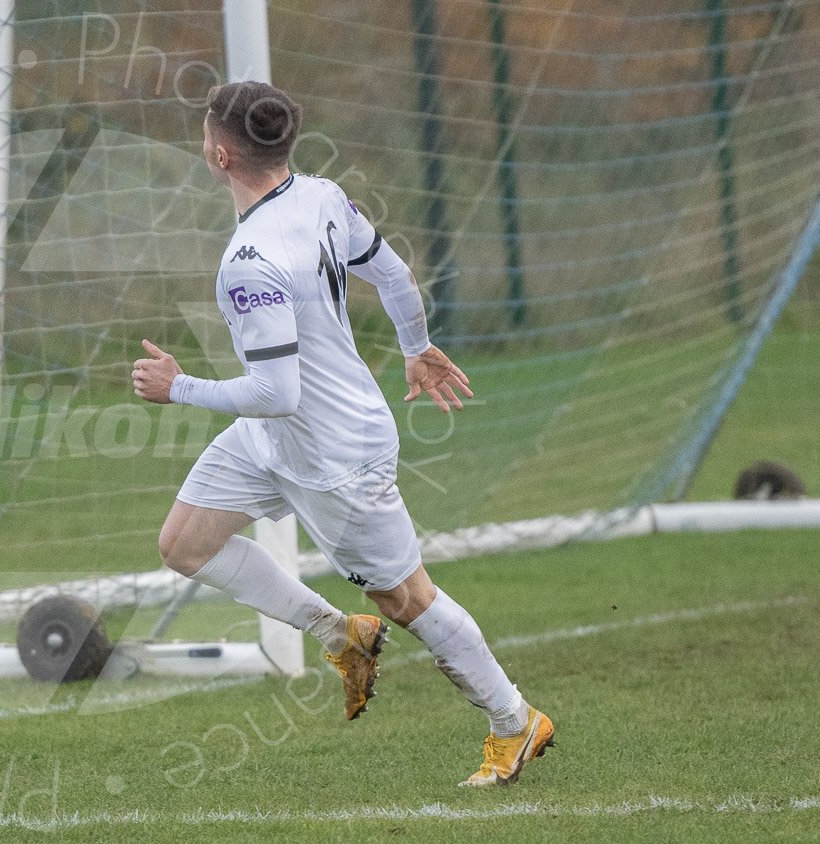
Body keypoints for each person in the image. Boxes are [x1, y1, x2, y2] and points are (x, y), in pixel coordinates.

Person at [131, 81, 554, 786]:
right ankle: (341, 634)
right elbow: (392, 273)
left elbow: (275, 390)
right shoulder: (322, 195)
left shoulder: (249, 262)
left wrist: (178, 388)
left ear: (220, 152)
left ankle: (515, 723)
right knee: (183, 544)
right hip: (276, 441)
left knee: (407, 600)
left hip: (335, 457)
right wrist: (415, 343)